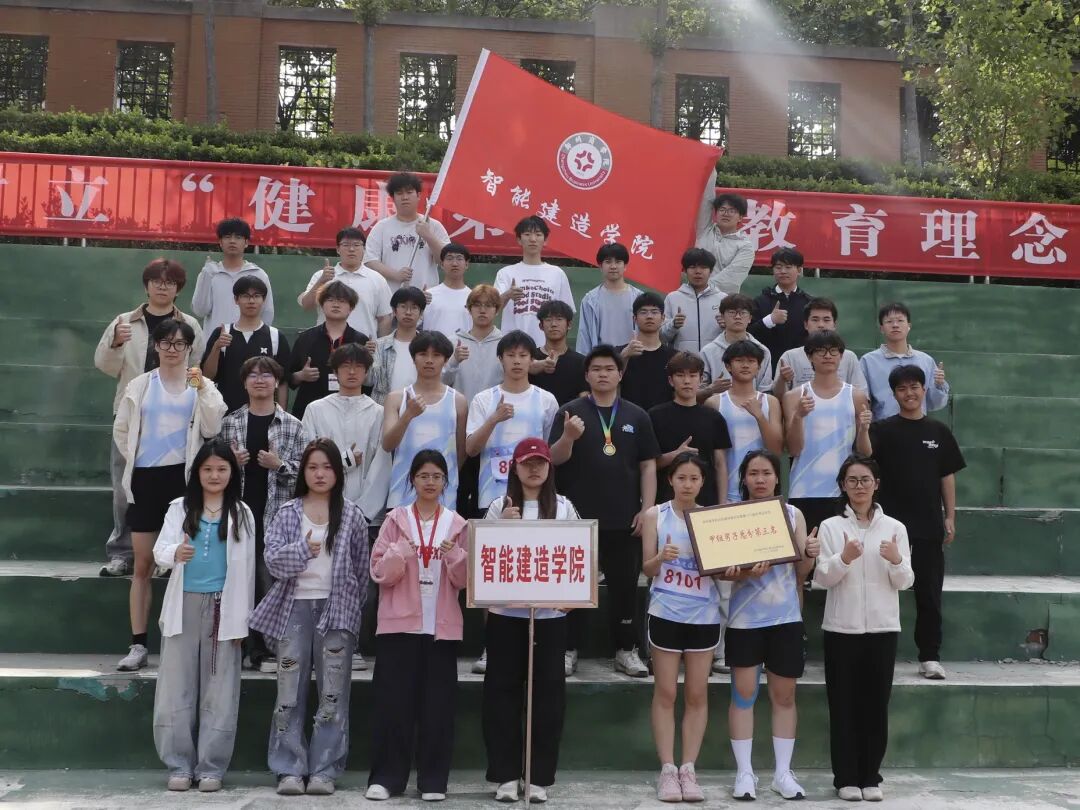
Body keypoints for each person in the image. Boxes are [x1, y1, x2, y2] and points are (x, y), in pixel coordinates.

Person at [249, 438, 371, 797]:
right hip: (294, 610)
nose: (320, 474)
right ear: (303, 472)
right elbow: (272, 561)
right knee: (289, 691)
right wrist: (302, 550)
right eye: (313, 467)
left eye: (328, 467)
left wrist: (350, 607)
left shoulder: (352, 514)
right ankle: (289, 768)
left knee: (333, 694)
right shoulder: (288, 512)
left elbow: (361, 570)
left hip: (337, 611)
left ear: (338, 472)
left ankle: (324, 770)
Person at [113, 318, 227, 672]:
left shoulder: (200, 385)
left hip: (183, 480)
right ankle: (138, 644)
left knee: (186, 562)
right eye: (166, 343)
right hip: (146, 479)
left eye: (180, 344)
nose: (172, 349)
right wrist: (137, 461)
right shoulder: (141, 385)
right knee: (143, 565)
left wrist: (203, 387)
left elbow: (212, 426)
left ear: (189, 348)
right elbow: (122, 429)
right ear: (156, 346)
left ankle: (186, 646)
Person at [549, 346, 659, 678]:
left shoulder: (637, 415)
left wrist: (647, 509)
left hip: (624, 518)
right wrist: (569, 437)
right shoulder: (569, 412)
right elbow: (553, 459)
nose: (603, 374)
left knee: (625, 588)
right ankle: (567, 649)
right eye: (596, 369)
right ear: (586, 375)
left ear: (620, 374)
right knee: (573, 586)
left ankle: (626, 650)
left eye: (609, 369)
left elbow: (648, 466)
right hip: (577, 520)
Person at [151, 439, 255, 793]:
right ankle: (179, 764)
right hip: (183, 605)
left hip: (224, 608)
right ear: (196, 472)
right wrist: (175, 553)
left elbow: (247, 572)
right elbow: (160, 550)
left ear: (232, 473)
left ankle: (211, 766)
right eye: (208, 469)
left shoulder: (242, 513)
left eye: (222, 469)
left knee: (220, 689)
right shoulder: (180, 508)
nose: (214, 475)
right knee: (176, 687)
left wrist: (241, 621)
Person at [366, 450, 469, 802]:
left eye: (437, 476)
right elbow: (378, 572)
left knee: (438, 708)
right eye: (423, 475)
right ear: (412, 479)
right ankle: (386, 778)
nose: (430, 482)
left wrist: (455, 556)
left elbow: (464, 581)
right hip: (399, 627)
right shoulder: (395, 520)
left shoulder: (457, 524)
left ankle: (433, 780)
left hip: (441, 628)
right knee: (393, 705)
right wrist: (400, 554)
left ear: (445, 482)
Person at [483, 438, 580, 804]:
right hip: (506, 616)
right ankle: (506, 775)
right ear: (515, 467)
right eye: (527, 463)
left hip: (550, 617)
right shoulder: (499, 506)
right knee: (501, 695)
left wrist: (572, 600)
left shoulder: (564, 507)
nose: (534, 469)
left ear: (549, 467)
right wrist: (500, 528)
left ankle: (538, 777)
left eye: (540, 462)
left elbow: (579, 554)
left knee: (548, 698)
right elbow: (483, 558)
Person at [814, 454, 914, 802]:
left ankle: (871, 776)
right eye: (853, 480)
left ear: (877, 484)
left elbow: (905, 581)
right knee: (843, 706)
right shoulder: (830, 527)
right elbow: (822, 577)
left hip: (883, 628)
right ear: (843, 485)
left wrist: (896, 560)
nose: (859, 486)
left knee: (876, 705)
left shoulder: (895, 528)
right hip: (842, 629)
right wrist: (844, 558)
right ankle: (845, 778)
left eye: (865, 480)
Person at [95, 258, 203, 577]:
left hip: (175, 417)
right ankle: (122, 553)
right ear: (147, 285)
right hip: (132, 415)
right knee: (124, 487)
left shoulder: (190, 325)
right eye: (157, 281)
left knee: (174, 487)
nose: (162, 287)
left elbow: (196, 370)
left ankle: (167, 555)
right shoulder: (124, 322)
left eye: (170, 282)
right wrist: (116, 342)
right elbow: (105, 365)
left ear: (178, 289)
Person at [724, 450, 819, 802]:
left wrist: (810, 552)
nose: (760, 479)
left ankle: (782, 773)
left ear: (777, 478)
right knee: (743, 694)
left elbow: (801, 572)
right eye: (753, 473)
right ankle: (744, 773)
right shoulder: (730, 516)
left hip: (785, 618)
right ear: (744, 479)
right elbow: (721, 571)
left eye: (766, 472)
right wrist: (743, 573)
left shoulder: (792, 514)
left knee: (785, 695)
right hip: (744, 619)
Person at [870, 365, 965, 680]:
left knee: (929, 594)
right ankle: (876, 656)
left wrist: (949, 515)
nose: (909, 393)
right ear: (894, 394)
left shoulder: (939, 432)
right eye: (902, 389)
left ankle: (930, 657)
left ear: (924, 390)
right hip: (887, 526)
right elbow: (865, 459)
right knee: (880, 590)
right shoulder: (882, 430)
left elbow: (946, 476)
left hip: (927, 525)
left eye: (914, 387)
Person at [641, 453, 724, 803]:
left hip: (704, 615)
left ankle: (688, 769)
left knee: (696, 694)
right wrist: (661, 558)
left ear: (702, 482)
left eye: (694, 479)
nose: (688, 485)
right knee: (666, 692)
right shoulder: (655, 515)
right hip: (666, 612)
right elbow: (647, 569)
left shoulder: (712, 519)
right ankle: (667, 769)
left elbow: (722, 571)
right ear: (670, 480)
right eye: (681, 478)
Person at [219, 356, 309, 673]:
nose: (260, 380)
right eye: (253, 375)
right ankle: (242, 648)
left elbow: (307, 476)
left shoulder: (294, 426)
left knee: (269, 583)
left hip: (277, 518)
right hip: (238, 517)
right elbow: (212, 471)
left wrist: (279, 465)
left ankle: (267, 649)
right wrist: (231, 464)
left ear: (277, 382)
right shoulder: (230, 423)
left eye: (267, 375)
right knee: (238, 583)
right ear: (244, 383)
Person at [712, 340, 784, 675]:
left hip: (762, 500)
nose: (745, 365)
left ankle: (761, 647)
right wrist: (719, 500)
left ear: (759, 367)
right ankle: (720, 650)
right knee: (726, 580)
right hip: (728, 498)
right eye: (738, 360)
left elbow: (777, 447)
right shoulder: (716, 402)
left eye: (751, 361)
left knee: (761, 576)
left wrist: (758, 415)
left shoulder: (770, 402)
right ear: (728, 366)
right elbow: (716, 456)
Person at [785, 330, 873, 533]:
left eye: (834, 351)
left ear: (841, 356)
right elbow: (793, 449)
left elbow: (865, 453)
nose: (828, 356)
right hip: (804, 490)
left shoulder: (856, 396)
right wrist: (798, 416)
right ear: (809, 356)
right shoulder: (794, 396)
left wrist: (864, 429)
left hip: (844, 490)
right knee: (807, 550)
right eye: (821, 351)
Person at [467, 330, 560, 514]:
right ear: (501, 359)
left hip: (535, 498)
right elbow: (471, 449)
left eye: (523, 355)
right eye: (510, 355)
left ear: (532, 360)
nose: (517, 361)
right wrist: (494, 419)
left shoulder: (547, 400)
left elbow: (550, 450)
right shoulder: (483, 399)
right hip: (491, 495)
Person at [302, 343, 391, 530]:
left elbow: (382, 465)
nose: (352, 372)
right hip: (321, 508)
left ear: (366, 372)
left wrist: (364, 512)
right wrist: (344, 460)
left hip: (366, 516)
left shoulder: (379, 413)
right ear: (335, 372)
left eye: (358, 366)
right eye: (345, 366)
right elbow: (307, 457)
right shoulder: (315, 409)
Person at [382, 332, 467, 512]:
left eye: (436, 355)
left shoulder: (458, 401)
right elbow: (388, 444)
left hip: (444, 496)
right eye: (423, 354)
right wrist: (408, 415)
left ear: (445, 360)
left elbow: (461, 452)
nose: (429, 360)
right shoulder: (396, 398)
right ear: (414, 358)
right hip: (401, 492)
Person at [442, 284, 503, 518]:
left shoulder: (505, 343)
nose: (482, 310)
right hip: (457, 426)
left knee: (486, 494)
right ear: (468, 309)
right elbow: (440, 382)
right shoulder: (453, 342)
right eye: (477, 305)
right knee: (456, 489)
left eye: (488, 305)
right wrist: (453, 361)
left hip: (492, 429)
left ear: (497, 310)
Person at [649, 352, 731, 508]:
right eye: (680, 375)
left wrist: (721, 505)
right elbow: (648, 464)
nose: (687, 381)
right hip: (665, 503)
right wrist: (675, 454)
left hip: (706, 503)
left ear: (701, 379)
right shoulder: (654, 416)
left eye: (693, 376)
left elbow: (720, 464)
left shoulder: (714, 418)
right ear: (670, 380)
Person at [201, 276, 290, 413]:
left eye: (256, 296)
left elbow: (282, 382)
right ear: (236, 300)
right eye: (245, 296)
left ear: (263, 300)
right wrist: (217, 348)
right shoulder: (222, 333)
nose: (251, 301)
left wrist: (281, 415)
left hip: (264, 415)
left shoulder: (276, 336)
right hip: (225, 413)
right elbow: (207, 377)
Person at [287, 281, 371, 420]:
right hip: (309, 409)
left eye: (342, 301)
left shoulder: (361, 340)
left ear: (351, 308)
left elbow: (368, 381)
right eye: (330, 300)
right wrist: (301, 375)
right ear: (321, 305)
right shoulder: (306, 338)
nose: (336, 305)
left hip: (350, 412)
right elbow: (288, 377)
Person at [860, 302, 950, 422]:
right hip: (883, 428)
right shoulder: (868, 361)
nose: (895, 325)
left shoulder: (925, 361)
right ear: (881, 328)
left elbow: (935, 404)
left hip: (917, 426)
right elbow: (863, 402)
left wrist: (939, 384)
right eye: (889, 321)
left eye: (900, 320)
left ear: (909, 326)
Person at [298, 227, 392, 340]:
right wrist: (321, 282)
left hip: (363, 346)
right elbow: (306, 305)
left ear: (364, 249)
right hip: (326, 343)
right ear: (338, 249)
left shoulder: (377, 279)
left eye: (356, 245)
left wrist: (380, 346)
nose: (351, 249)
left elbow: (384, 318)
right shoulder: (322, 275)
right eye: (346, 245)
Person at [493, 216, 575, 347]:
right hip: (513, 348)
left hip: (547, 347)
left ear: (545, 240)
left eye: (538, 234)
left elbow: (567, 313)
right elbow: (492, 309)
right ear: (519, 239)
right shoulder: (505, 273)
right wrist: (508, 295)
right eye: (527, 234)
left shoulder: (557, 274)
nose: (532, 239)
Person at [363, 171, 449, 290]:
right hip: (391, 296)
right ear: (393, 198)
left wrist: (428, 236)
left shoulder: (433, 226)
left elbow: (446, 260)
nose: (405, 197)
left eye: (409, 192)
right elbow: (370, 261)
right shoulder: (381, 227)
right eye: (399, 193)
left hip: (426, 296)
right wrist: (396, 275)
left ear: (418, 195)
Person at [192, 218, 275, 335]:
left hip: (249, 342)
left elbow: (267, 312)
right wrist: (206, 277)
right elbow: (200, 311)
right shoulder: (210, 273)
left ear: (246, 243)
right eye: (227, 237)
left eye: (238, 237)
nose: (232, 241)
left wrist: (259, 339)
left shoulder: (258, 274)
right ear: (220, 242)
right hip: (216, 342)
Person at [772, 297, 867, 399]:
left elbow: (862, 396)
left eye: (826, 320)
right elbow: (778, 398)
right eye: (815, 320)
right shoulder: (790, 356)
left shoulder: (849, 357)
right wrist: (782, 380)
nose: (821, 325)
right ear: (806, 325)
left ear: (834, 325)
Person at [749, 248, 811, 376]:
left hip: (802, 367)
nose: (783, 271)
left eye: (788, 267)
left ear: (799, 270)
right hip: (767, 367)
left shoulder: (809, 303)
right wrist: (769, 320)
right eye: (778, 267)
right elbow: (748, 334)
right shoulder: (760, 301)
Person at [699, 294, 773, 397]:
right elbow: (698, 390)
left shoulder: (762, 350)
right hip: (716, 405)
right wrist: (711, 389)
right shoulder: (708, 351)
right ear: (722, 317)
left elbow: (765, 389)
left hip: (753, 404)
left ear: (750, 318)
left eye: (743, 313)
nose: (737, 317)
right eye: (732, 312)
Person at [575, 242, 642, 354]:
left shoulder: (638, 298)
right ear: (600, 266)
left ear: (625, 266)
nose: (613, 266)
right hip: (602, 359)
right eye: (608, 262)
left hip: (633, 357)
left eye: (618, 262)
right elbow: (584, 337)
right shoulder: (590, 300)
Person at [695, 169, 754, 294]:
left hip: (724, 300)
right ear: (716, 213)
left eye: (732, 211)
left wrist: (702, 288)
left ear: (740, 217)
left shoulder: (745, 246)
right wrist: (710, 167)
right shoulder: (705, 230)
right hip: (693, 295)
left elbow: (732, 278)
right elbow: (706, 200)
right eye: (722, 209)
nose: (726, 214)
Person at [618, 292, 678, 413]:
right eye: (643, 312)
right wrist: (624, 357)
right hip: (629, 417)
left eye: (654, 312)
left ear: (663, 318)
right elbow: (610, 383)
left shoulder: (675, 357)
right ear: (634, 318)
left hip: (664, 418)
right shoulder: (620, 353)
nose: (649, 316)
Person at [661, 247, 725, 356]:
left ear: (711, 271)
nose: (698, 272)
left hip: (715, 360)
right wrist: (673, 325)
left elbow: (733, 337)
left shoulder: (723, 299)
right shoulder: (672, 298)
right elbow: (661, 337)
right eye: (692, 267)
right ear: (685, 270)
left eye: (703, 267)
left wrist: (726, 327)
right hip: (682, 362)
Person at [369, 286, 426, 405]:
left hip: (419, 408)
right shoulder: (379, 346)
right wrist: (366, 359)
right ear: (394, 311)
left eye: (414, 308)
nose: (408, 312)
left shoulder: (428, 346)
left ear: (421, 313)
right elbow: (368, 381)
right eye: (403, 306)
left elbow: (441, 378)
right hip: (384, 409)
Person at [528, 300, 587, 407]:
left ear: (569, 324)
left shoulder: (581, 362)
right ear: (541, 326)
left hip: (568, 416)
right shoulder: (529, 358)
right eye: (548, 319)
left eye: (559, 319)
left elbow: (585, 398)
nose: (554, 324)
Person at [422, 243, 473, 342]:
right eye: (449, 258)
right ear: (441, 264)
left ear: (466, 264)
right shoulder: (428, 295)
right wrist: (418, 301)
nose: (454, 263)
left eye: (459, 259)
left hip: (465, 349)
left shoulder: (473, 297)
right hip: (433, 349)